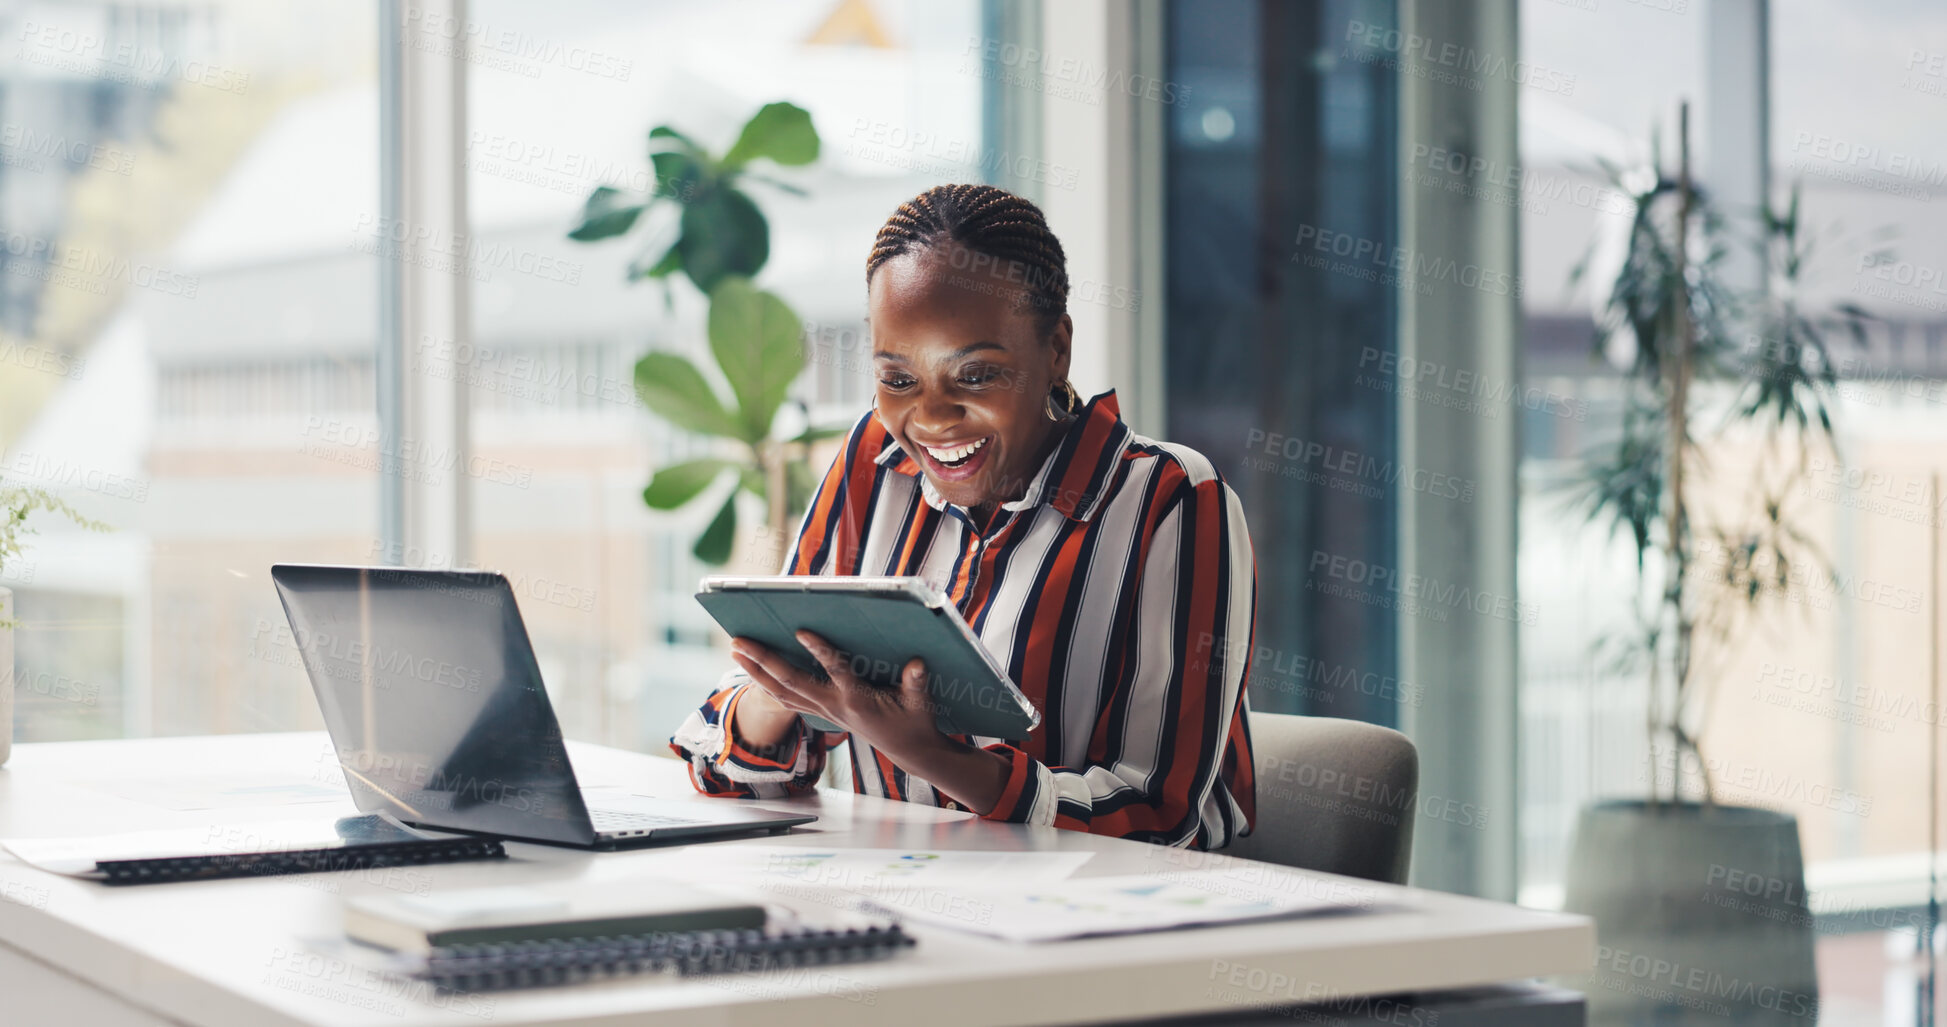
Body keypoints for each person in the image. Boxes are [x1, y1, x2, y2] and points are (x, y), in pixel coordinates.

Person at [670, 183, 1256, 849]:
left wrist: (937, 757)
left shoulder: (1171, 499)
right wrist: (785, 692)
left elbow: (1161, 814)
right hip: (911, 893)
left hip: (1110, 916)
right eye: (897, 379)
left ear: (1056, 349)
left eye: (975, 375)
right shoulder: (874, 458)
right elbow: (725, 768)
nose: (929, 418)